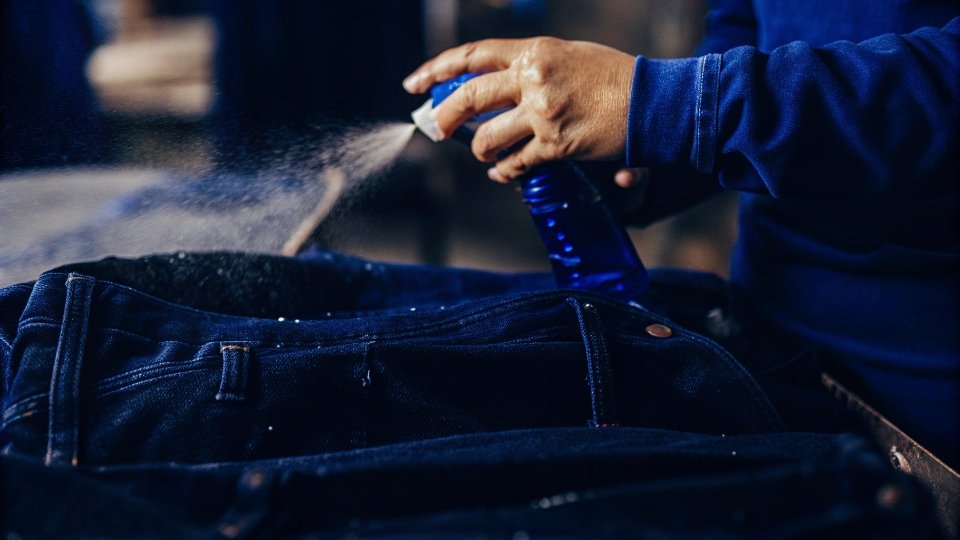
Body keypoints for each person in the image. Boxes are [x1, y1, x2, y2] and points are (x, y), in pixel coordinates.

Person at [403, 0, 960, 466]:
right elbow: (752, 24)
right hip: (765, 331)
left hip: (920, 414)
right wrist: (643, 159)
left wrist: (669, 104)